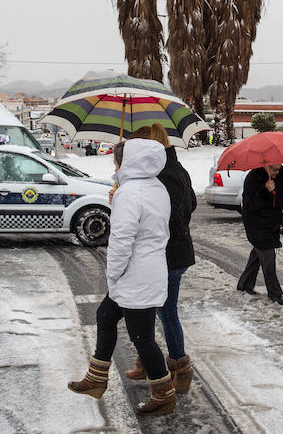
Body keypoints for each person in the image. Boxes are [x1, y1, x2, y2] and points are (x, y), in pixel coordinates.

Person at [68, 138, 177, 415]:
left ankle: (164, 394)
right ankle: (96, 378)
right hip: (147, 270)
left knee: (142, 337)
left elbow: (122, 239)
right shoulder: (156, 187)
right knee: (105, 316)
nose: (114, 165)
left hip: (133, 273)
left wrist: (113, 273)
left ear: (126, 162)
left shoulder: (131, 192)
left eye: (116, 161)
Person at [123, 123, 196, 394]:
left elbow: (178, 216)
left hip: (170, 256)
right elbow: (191, 205)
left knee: (166, 312)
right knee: (150, 309)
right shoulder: (166, 171)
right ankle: (147, 360)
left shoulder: (168, 174)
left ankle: (181, 369)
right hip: (165, 254)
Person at [237, 164, 283, 305]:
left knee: (258, 253)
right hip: (256, 223)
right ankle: (275, 293)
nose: (277, 172)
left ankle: (245, 284)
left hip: (271, 224)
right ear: (266, 165)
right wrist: (265, 190)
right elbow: (250, 205)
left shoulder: (280, 176)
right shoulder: (253, 178)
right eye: (273, 169)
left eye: (279, 169)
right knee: (268, 255)